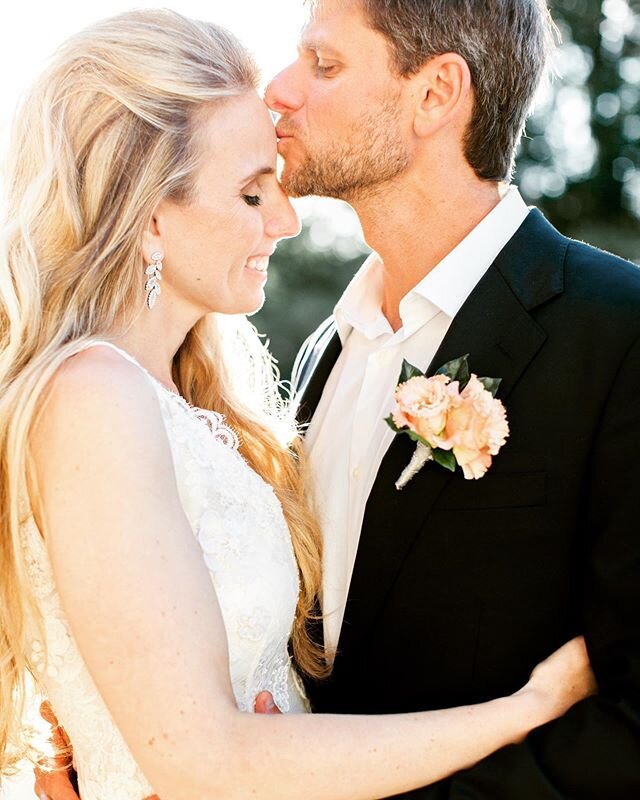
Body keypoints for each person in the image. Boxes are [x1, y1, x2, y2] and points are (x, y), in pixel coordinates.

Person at [0, 8, 594, 800]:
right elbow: (203, 760)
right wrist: (526, 709)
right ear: (147, 214)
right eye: (250, 195)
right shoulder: (93, 399)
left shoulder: (198, 393)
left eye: (272, 187)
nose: (284, 219)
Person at [263, 0, 640, 797]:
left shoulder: (618, 335)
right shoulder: (321, 355)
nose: (280, 90)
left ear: (435, 94)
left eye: (323, 65)